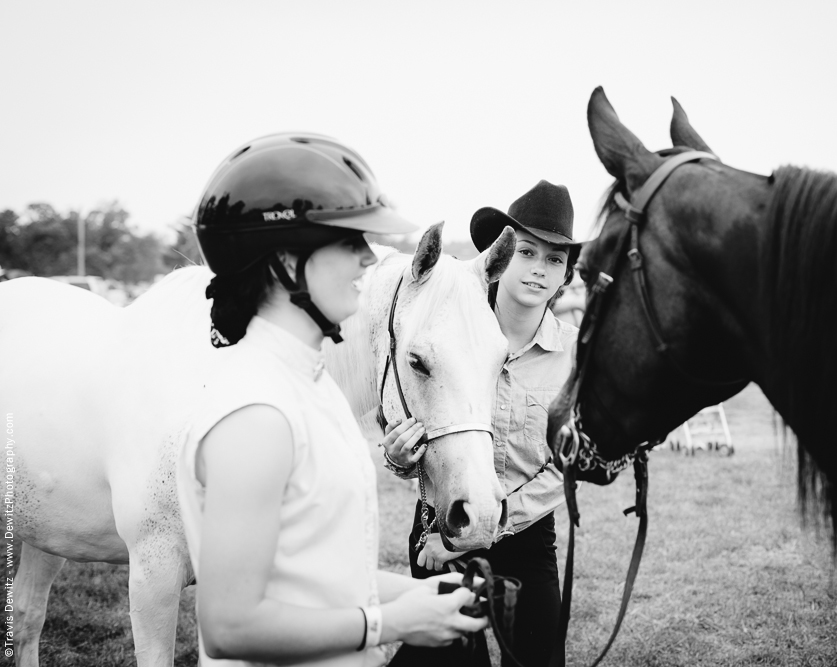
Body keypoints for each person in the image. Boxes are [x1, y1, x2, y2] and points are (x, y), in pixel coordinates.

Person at [177, 132, 487, 667]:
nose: (370, 258)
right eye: (349, 242)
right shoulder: (256, 413)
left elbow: (318, 576)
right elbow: (229, 626)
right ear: (283, 261)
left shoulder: (310, 384)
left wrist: (419, 596)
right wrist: (392, 623)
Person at [384, 180, 580, 667]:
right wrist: (400, 458)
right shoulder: (452, 333)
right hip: (441, 524)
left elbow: (565, 465)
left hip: (528, 532)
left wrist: (493, 527)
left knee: (538, 658)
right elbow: (422, 419)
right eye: (527, 252)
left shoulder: (576, 355)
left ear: (566, 275)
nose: (538, 268)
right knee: (448, 660)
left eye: (554, 260)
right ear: (501, 257)